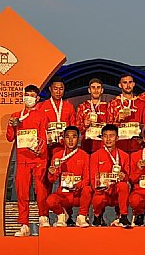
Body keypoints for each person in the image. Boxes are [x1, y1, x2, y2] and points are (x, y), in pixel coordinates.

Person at [5, 84, 47, 236]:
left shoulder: (41, 116)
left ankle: (43, 216)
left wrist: (39, 149)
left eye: (32, 95)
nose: (28, 98)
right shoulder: (16, 116)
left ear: (37, 98)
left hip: (37, 159)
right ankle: (24, 224)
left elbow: (43, 136)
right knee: (22, 193)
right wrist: (11, 126)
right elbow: (10, 138)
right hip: (22, 159)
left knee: (40, 190)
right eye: (26, 95)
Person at [38, 76, 76, 223]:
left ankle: (68, 214)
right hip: (47, 150)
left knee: (67, 180)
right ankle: (43, 215)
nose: (58, 91)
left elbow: (73, 128)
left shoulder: (68, 106)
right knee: (44, 182)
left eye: (61, 88)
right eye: (55, 88)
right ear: (50, 89)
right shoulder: (42, 106)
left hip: (64, 149)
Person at [46, 126, 93, 227]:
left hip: (78, 195)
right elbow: (52, 180)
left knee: (88, 190)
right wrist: (51, 173)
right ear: (63, 139)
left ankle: (81, 217)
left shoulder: (85, 156)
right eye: (68, 137)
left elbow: (87, 179)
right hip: (64, 194)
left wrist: (77, 186)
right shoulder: (57, 156)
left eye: (74, 137)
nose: (71, 140)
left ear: (79, 139)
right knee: (50, 200)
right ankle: (62, 215)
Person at [90, 124, 131, 227]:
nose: (108, 139)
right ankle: (97, 216)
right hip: (102, 191)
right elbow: (93, 178)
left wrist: (123, 176)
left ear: (117, 138)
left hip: (116, 192)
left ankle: (123, 216)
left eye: (111, 135)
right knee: (97, 198)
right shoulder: (95, 156)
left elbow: (128, 177)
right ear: (101, 138)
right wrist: (101, 185)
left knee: (124, 186)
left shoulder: (124, 156)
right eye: (105, 136)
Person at [107, 74, 145, 154]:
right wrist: (117, 120)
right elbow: (108, 126)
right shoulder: (113, 103)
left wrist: (142, 139)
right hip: (119, 144)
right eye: (125, 83)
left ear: (134, 84)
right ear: (120, 85)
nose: (128, 85)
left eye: (130, 82)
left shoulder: (141, 103)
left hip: (136, 145)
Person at [75, 78, 109, 154]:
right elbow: (77, 128)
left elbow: (111, 126)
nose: (96, 90)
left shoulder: (108, 107)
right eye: (93, 88)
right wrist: (84, 125)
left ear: (102, 90)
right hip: (86, 145)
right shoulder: (82, 107)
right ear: (89, 90)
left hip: (102, 146)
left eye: (98, 87)